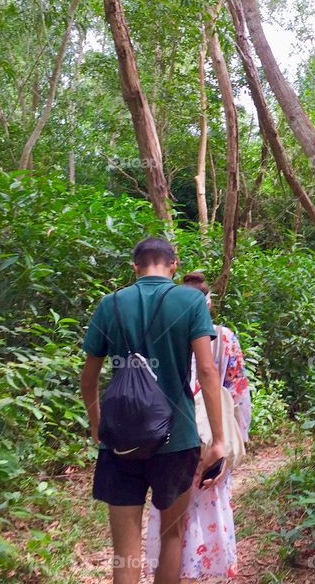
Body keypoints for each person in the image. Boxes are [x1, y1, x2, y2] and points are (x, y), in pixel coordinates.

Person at [80, 237, 227, 584]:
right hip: (176, 440)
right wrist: (218, 439)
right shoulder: (190, 301)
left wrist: (97, 424)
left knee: (125, 549)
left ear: (135, 267)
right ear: (173, 265)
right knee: (171, 537)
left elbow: (89, 378)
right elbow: (207, 371)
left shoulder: (110, 304)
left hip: (120, 440)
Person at [146, 271, 252, 582]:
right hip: (210, 440)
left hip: (170, 439)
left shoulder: (163, 336)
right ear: (208, 305)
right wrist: (235, 441)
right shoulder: (224, 338)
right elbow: (238, 394)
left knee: (170, 523)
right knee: (207, 512)